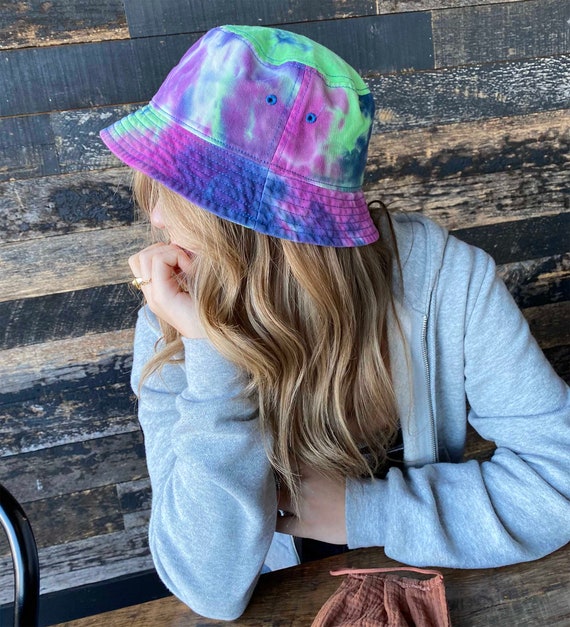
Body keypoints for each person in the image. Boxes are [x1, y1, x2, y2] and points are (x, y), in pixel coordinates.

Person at [100, 25, 570, 621]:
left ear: (251, 229)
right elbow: (207, 586)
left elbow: (560, 480)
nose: (154, 215)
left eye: (173, 186)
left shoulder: (445, 280)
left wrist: (361, 511)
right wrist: (211, 352)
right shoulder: (175, 320)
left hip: (434, 585)